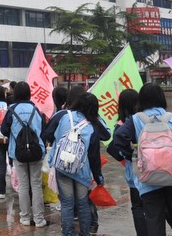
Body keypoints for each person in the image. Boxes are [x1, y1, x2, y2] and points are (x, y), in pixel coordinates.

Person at [112, 83, 172, 236]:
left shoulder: (135, 120)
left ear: (141, 100)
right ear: (162, 98)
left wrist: (134, 155)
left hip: (148, 179)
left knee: (154, 222)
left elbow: (118, 137)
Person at [45, 92, 103, 236]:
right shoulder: (92, 126)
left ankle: (68, 233)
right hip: (82, 170)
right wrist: (98, 177)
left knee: (67, 204)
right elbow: (94, 157)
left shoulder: (64, 117)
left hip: (62, 167)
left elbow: (52, 137)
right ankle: (85, 233)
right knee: (83, 204)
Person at [1, 81, 47, 228]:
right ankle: (39, 219)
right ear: (29, 93)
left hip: (18, 152)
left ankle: (25, 217)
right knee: (36, 184)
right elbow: (43, 131)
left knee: (23, 184)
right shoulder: (36, 109)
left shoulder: (11, 110)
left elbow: (4, 130)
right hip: (36, 151)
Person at [107, 89, 147, 236]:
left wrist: (129, 155)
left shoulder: (121, 125)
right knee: (153, 206)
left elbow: (117, 150)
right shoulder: (145, 120)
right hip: (153, 168)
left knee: (137, 207)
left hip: (134, 172)